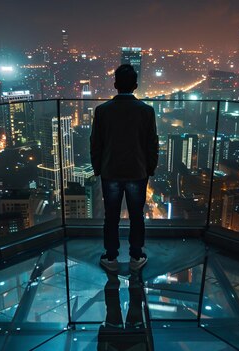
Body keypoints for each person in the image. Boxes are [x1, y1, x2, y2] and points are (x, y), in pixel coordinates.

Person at [90, 64, 159, 272]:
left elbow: (96, 143)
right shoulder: (147, 111)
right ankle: (136, 255)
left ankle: (111, 257)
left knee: (111, 215)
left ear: (115, 85)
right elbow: (152, 144)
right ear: (136, 86)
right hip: (138, 172)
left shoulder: (102, 111)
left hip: (110, 171)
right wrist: (150, 168)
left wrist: (98, 168)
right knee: (137, 214)